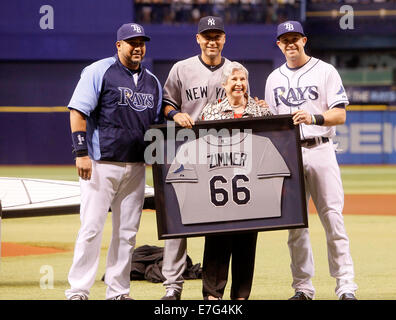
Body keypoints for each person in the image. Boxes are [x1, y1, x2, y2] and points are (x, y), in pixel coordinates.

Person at [65, 23, 163, 300]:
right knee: (91, 229)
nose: (137, 47)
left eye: (141, 42)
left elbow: (154, 126)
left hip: (135, 167)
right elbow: (77, 112)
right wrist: (80, 153)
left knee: (127, 233)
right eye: (131, 42)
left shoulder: (152, 81)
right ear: (118, 45)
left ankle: (118, 292)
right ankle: (78, 290)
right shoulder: (99, 71)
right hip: (100, 163)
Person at [264, 21, 358, 300]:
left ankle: (346, 286)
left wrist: (314, 117)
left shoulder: (325, 71)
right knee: (295, 226)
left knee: (333, 219)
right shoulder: (273, 79)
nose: (290, 43)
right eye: (285, 39)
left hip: (320, 148)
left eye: (295, 38)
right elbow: (272, 123)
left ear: (304, 40)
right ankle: (303, 288)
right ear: (279, 44)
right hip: (289, 154)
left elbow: (340, 115)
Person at [160, 15, 231, 300]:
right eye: (207, 36)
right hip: (188, 150)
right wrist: (176, 114)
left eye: (217, 36)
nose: (212, 40)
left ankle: (212, 291)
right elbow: (166, 103)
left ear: (224, 39)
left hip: (225, 155)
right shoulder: (182, 69)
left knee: (221, 222)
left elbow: (245, 102)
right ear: (198, 39)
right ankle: (172, 287)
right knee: (178, 220)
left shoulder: (235, 69)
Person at [199, 61, 272, 300]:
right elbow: (200, 149)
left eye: (242, 80)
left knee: (246, 241)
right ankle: (212, 294)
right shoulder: (211, 112)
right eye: (234, 80)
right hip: (220, 185)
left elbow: (273, 145)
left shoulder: (261, 111)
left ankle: (241, 295)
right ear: (225, 84)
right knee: (217, 238)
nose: (239, 84)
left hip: (250, 186)